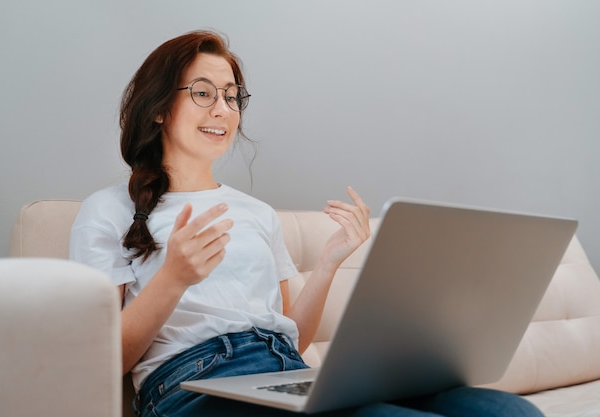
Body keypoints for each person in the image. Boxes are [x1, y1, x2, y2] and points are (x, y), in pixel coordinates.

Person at [69, 30, 544, 417]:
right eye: (203, 93)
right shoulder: (108, 210)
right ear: (157, 107)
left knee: (508, 412)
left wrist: (328, 265)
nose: (223, 110)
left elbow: (291, 332)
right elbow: (105, 362)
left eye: (233, 97)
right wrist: (172, 279)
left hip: (283, 371)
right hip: (192, 388)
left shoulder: (257, 213)